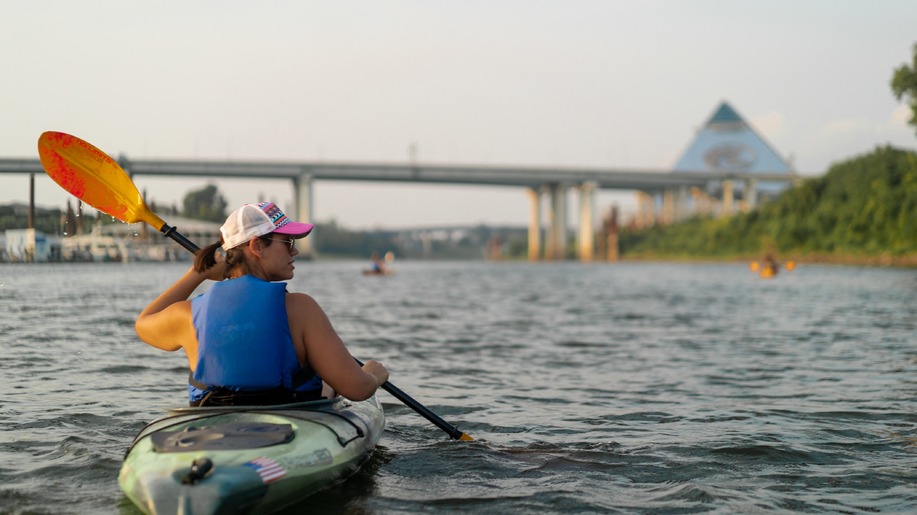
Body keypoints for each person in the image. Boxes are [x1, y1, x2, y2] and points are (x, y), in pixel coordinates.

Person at [135, 201, 389, 407]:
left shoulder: (189, 314)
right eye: (288, 242)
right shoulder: (301, 308)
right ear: (257, 245)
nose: (295, 251)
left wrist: (197, 274)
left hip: (212, 427)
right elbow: (357, 390)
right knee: (329, 382)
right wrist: (372, 374)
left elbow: (143, 324)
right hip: (291, 425)